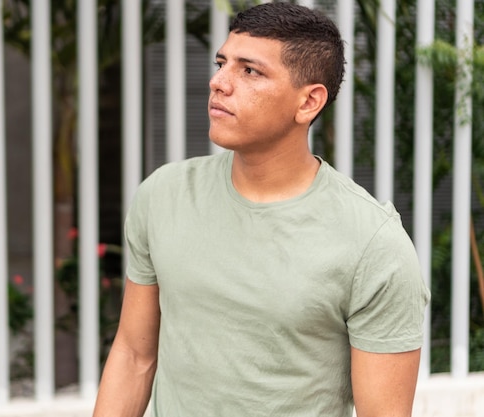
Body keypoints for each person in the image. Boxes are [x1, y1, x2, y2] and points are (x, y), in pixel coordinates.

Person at [93, 2, 430, 417]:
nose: (218, 82)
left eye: (249, 71)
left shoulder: (373, 245)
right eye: (222, 63)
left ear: (308, 102)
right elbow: (133, 356)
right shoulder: (164, 194)